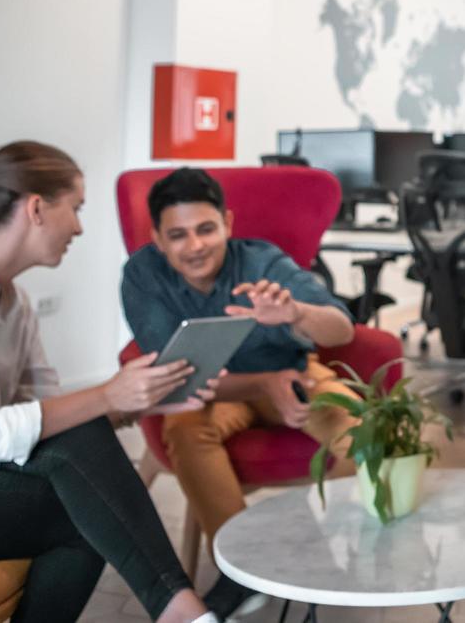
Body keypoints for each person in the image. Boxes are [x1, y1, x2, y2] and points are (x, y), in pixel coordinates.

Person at [0, 142, 221, 623]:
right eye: (76, 208)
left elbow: (55, 419)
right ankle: (180, 608)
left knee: (85, 479)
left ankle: (178, 608)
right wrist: (106, 394)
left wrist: (141, 401)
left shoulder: (14, 303)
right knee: (84, 509)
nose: (80, 226)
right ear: (37, 208)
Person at [121, 166, 362, 616]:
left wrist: (294, 313)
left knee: (364, 431)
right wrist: (264, 384)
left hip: (294, 376)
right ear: (157, 237)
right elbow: (178, 377)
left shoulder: (262, 261)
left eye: (207, 229)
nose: (195, 247)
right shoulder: (142, 276)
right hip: (210, 393)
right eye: (178, 235)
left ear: (228, 224)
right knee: (186, 431)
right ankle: (241, 569)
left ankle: (368, 551)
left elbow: (342, 330)